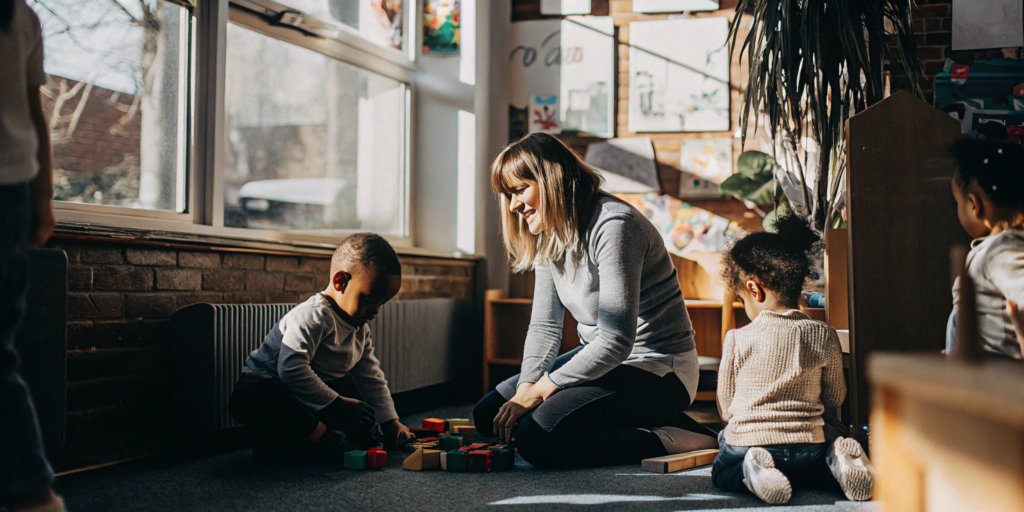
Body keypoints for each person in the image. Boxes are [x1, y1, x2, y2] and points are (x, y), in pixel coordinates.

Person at [472, 133, 717, 469]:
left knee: (535, 436)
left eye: (520, 190)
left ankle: (666, 438)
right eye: (509, 195)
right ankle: (629, 421)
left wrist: (545, 389)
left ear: (551, 179)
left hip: (658, 369)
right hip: (605, 364)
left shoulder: (616, 225)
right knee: (489, 416)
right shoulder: (551, 232)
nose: (514, 205)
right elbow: (544, 327)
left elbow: (616, 340)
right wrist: (528, 386)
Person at [711, 212, 873, 505]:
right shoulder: (823, 333)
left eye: (741, 300)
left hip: (752, 442)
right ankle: (835, 460)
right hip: (807, 446)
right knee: (820, 450)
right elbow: (835, 397)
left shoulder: (736, 338)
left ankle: (752, 469)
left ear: (754, 289)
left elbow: (726, 406)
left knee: (722, 464)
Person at [229, 233, 414, 461]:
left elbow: (370, 375)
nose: (376, 310)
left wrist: (389, 421)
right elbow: (291, 369)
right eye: (370, 299)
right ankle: (322, 439)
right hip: (265, 388)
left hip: (313, 389)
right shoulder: (313, 316)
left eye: (382, 304)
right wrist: (337, 405)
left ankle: (323, 439)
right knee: (266, 396)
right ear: (340, 282)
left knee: (362, 412)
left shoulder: (359, 326)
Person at [1, 0, 63, 509]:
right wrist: (41, 198)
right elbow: (34, 112)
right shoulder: (22, 16)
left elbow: (33, 111)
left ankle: (33, 495)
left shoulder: (22, 18)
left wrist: (42, 198)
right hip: (12, 194)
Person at [947, 138, 1024, 358]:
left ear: (974, 205)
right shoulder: (999, 247)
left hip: (1001, 378)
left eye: (957, 203)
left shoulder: (1001, 251)